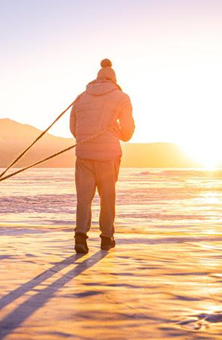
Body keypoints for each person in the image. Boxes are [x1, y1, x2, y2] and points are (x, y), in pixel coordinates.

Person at [70, 59, 135, 253]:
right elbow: (128, 131)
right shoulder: (121, 97)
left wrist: (86, 139)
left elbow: (74, 127)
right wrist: (120, 135)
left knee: (84, 199)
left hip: (84, 154)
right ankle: (107, 238)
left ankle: (80, 237)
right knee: (107, 198)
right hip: (109, 155)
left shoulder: (81, 97)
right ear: (114, 79)